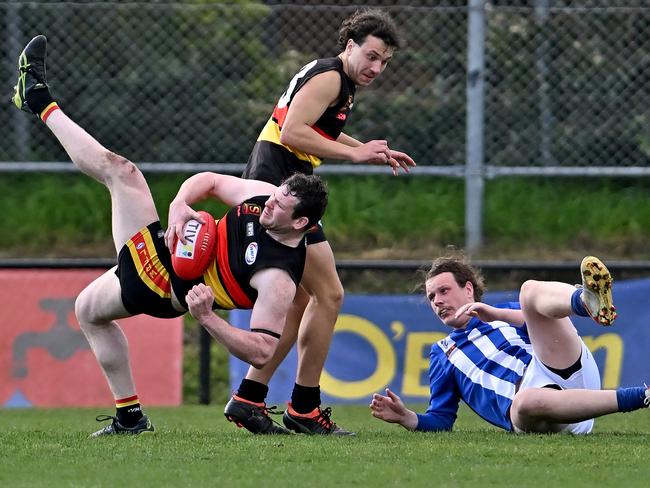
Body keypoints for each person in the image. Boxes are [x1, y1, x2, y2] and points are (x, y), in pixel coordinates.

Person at [12, 35, 328, 437]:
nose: (270, 203)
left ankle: (37, 97)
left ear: (300, 224)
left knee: (122, 174)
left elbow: (262, 349)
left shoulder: (278, 278)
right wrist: (180, 202)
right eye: (277, 194)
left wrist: (208, 317)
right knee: (87, 311)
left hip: (161, 284)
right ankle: (130, 419)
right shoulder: (264, 198)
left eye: (281, 206)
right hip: (166, 247)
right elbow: (210, 181)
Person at [226, 7, 416, 436]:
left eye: (384, 61)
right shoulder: (332, 77)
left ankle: (250, 399)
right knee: (328, 294)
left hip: (279, 183)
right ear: (349, 46)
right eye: (371, 56)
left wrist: (365, 146)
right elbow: (293, 131)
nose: (377, 67)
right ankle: (303, 409)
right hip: (280, 185)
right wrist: (355, 154)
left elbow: (316, 129)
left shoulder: (338, 80)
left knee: (303, 299)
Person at [370, 255, 649, 434]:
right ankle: (643, 395)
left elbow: (536, 320)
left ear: (468, 289)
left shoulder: (501, 312)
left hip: (563, 366)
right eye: (431, 298)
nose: (438, 301)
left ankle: (585, 302)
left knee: (529, 291)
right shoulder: (442, 352)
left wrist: (495, 314)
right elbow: (441, 419)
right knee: (525, 402)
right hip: (540, 412)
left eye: (444, 291)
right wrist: (407, 417)